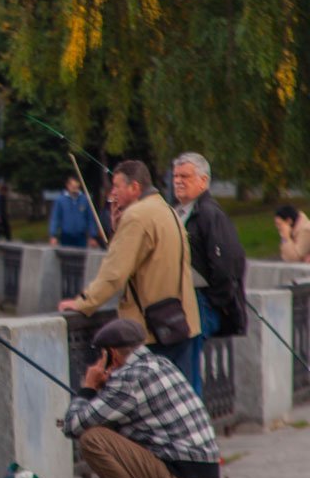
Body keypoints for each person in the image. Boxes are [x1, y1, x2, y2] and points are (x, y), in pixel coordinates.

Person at [62, 319, 220, 478]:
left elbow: (74, 425)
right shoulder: (159, 364)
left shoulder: (128, 379)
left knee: (93, 439)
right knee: (129, 438)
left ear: (111, 354)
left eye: (101, 355)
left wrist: (88, 388)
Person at [59, 160, 201, 388]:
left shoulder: (137, 216)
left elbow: (115, 272)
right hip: (182, 321)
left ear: (134, 187)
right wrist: (118, 230)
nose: (112, 193)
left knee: (151, 402)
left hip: (152, 329)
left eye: (117, 186)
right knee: (179, 397)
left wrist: (84, 303)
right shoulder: (167, 210)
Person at [171, 153, 247, 397]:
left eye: (185, 176)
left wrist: (216, 302)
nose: (178, 181)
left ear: (203, 181)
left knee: (188, 373)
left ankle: (194, 430)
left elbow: (227, 263)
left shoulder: (208, 213)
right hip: (185, 301)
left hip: (200, 301)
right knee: (182, 372)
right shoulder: (181, 211)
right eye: (175, 176)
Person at [49, 175, 99, 248]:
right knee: (66, 257)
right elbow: (55, 218)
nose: (74, 189)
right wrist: (53, 235)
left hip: (81, 236)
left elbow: (90, 219)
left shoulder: (85, 200)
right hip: (66, 236)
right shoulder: (60, 200)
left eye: (76, 187)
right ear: (68, 185)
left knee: (81, 257)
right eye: (72, 186)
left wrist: (93, 236)